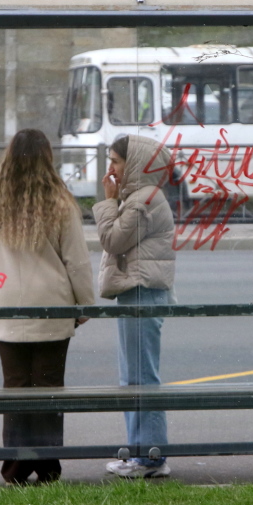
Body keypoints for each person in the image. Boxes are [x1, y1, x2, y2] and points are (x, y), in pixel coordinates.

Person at [0, 128, 95, 485]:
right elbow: (77, 261)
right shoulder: (60, 202)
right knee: (48, 386)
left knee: (15, 385)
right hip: (51, 303)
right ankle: (48, 466)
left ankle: (14, 468)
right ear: (47, 158)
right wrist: (85, 305)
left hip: (5, 299)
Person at [93, 134, 176, 478]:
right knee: (134, 377)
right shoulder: (141, 197)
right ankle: (140, 452)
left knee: (141, 378)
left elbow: (112, 239)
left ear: (135, 165)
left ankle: (150, 457)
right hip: (136, 291)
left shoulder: (144, 200)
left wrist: (108, 202)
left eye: (115, 161)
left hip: (141, 291)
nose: (109, 168)